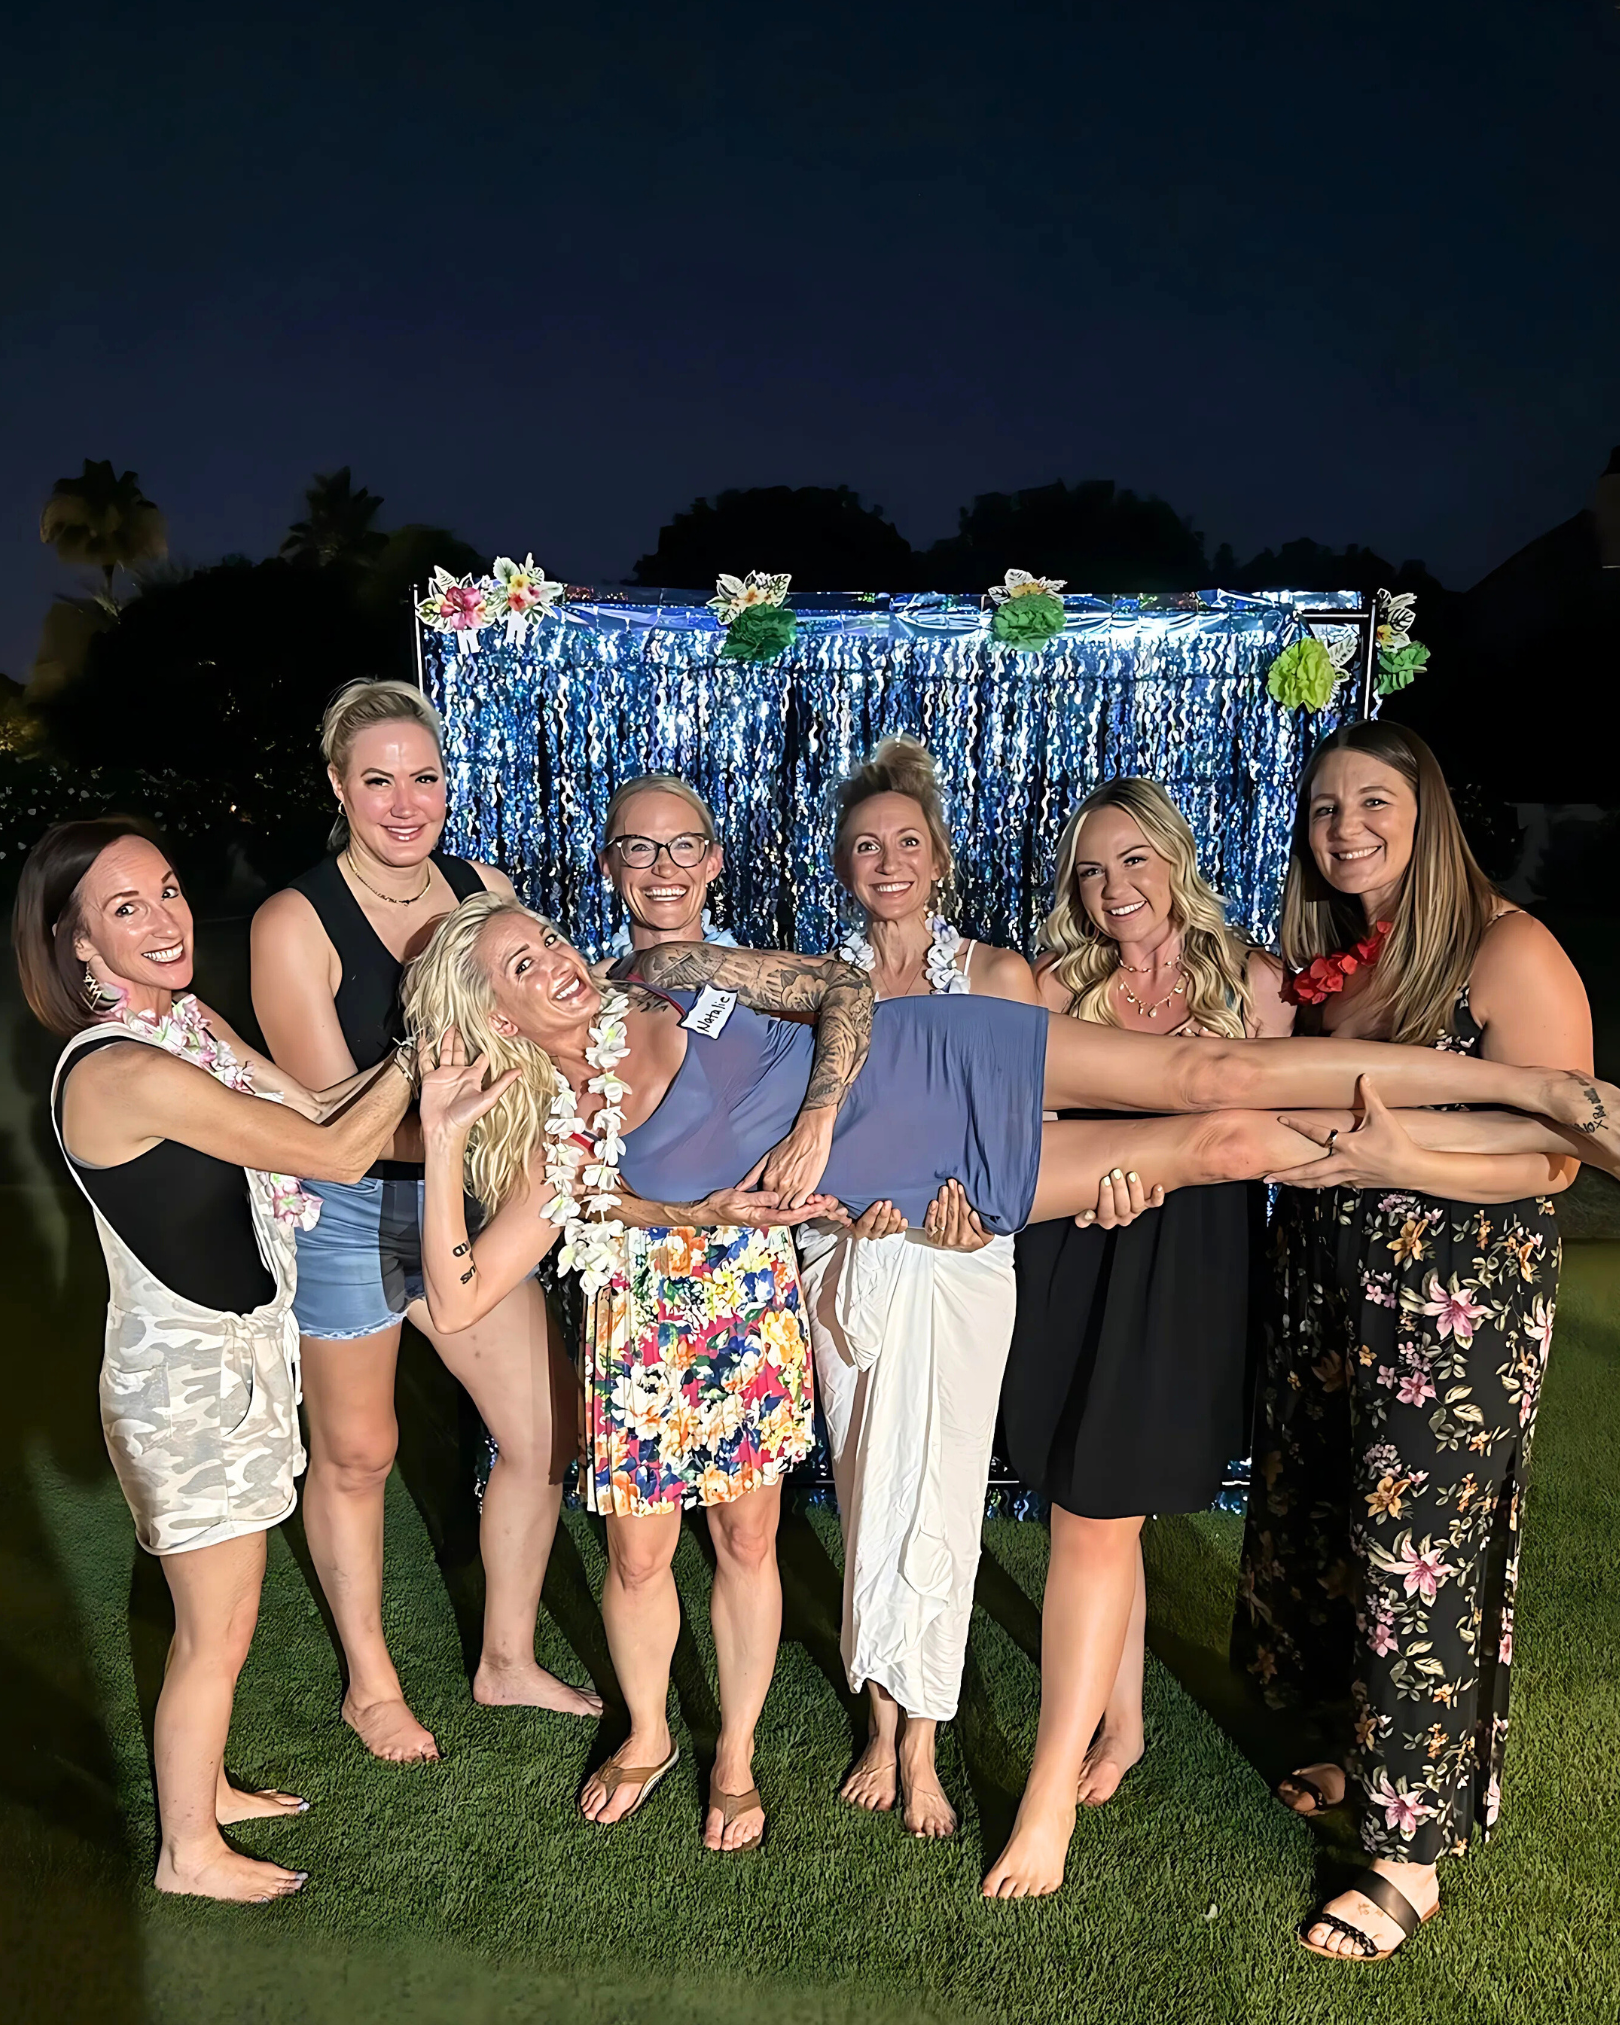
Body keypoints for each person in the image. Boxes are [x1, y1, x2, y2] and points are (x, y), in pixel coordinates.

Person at [1231, 722, 1592, 1962]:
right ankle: (1351, 1741)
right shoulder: (1341, 958)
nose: (1346, 829)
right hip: (1327, 1288)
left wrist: (1404, 1160)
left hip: (1454, 1305)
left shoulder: (1508, 950)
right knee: (1330, 1520)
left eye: (1373, 802)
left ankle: (1411, 1853)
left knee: (1418, 1557)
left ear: (1427, 808)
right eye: (1325, 810)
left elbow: (1558, 1151)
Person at [15, 817, 414, 1902]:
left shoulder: (186, 1023)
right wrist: (430, 1036)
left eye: (169, 891)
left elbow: (320, 1108)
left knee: (226, 1617)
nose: (164, 919)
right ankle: (188, 1852)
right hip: (184, 1387)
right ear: (76, 949)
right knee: (217, 1624)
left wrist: (426, 1077)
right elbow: (334, 1152)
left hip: (241, 1361)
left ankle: (208, 1797)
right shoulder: (116, 1072)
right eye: (125, 909)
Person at [251, 680, 597, 1765]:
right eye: (379, 780)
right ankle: (371, 1683)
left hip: (478, 1194)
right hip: (351, 1211)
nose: (407, 804)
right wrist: (472, 1132)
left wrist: (519, 1143)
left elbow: (540, 1032)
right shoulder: (293, 922)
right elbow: (332, 1124)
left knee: (544, 1438)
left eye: (427, 778)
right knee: (359, 1453)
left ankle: (505, 1660)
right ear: (339, 788)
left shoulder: (482, 888)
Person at [1002, 779, 1292, 1842]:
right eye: (1090, 869)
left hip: (1190, 1273)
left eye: (1131, 859)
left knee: (1092, 1514)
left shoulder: (1255, 984)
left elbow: (1284, 1139)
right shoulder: (1050, 985)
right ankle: (1120, 1724)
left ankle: (1047, 1800)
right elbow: (1017, 1133)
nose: (1113, 886)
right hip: (1076, 1253)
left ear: (1174, 858)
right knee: (1090, 1498)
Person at [795, 735, 1044, 1840]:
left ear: (940, 856)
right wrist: (847, 1215)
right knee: (865, 1489)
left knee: (940, 1488)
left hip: (960, 1268)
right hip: (854, 1265)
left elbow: (1023, 1148)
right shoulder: (822, 989)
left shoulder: (998, 975)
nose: (887, 860)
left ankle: (924, 1742)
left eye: (906, 842)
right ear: (843, 867)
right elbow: (803, 1145)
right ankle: (877, 1719)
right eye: (865, 846)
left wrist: (977, 1216)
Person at [577, 774, 816, 1853]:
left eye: (685, 848)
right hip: (636, 1289)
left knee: (748, 1533)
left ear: (716, 861)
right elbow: (564, 1177)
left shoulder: (765, 985)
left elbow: (854, 1049)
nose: (664, 869)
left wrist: (814, 1150)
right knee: (635, 1551)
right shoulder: (579, 998)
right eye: (640, 849)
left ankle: (736, 1750)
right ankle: (644, 1731)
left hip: (748, 1282)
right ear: (609, 867)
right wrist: (681, 1207)